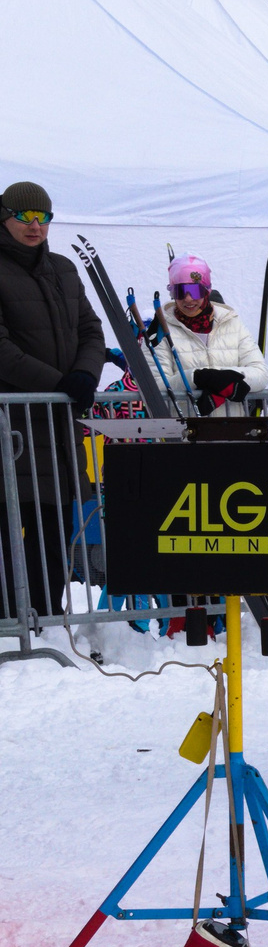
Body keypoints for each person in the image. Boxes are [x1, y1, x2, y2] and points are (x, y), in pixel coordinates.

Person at [0, 181, 103, 619]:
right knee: (10, 530)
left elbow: (92, 330)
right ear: (4, 217)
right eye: (25, 217)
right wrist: (59, 384)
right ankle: (9, 623)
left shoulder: (63, 269)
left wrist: (84, 375)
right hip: (12, 427)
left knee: (56, 527)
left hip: (59, 429)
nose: (35, 225)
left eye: (43, 217)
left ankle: (42, 618)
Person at [157, 255, 267, 416]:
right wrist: (197, 377)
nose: (188, 298)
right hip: (184, 432)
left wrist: (221, 379)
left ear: (207, 290)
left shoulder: (231, 322)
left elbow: (260, 372)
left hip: (231, 432)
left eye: (195, 290)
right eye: (180, 291)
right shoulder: (160, 330)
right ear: (172, 292)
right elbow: (157, 386)